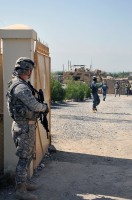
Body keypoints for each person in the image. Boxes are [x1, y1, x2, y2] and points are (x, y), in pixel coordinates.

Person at [6, 57, 49, 200]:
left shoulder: (17, 83)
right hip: (24, 127)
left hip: (24, 125)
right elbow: (34, 105)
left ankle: (23, 183)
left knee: (28, 156)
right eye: (29, 70)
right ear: (27, 70)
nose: (30, 72)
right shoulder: (21, 87)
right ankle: (20, 189)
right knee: (24, 158)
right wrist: (44, 107)